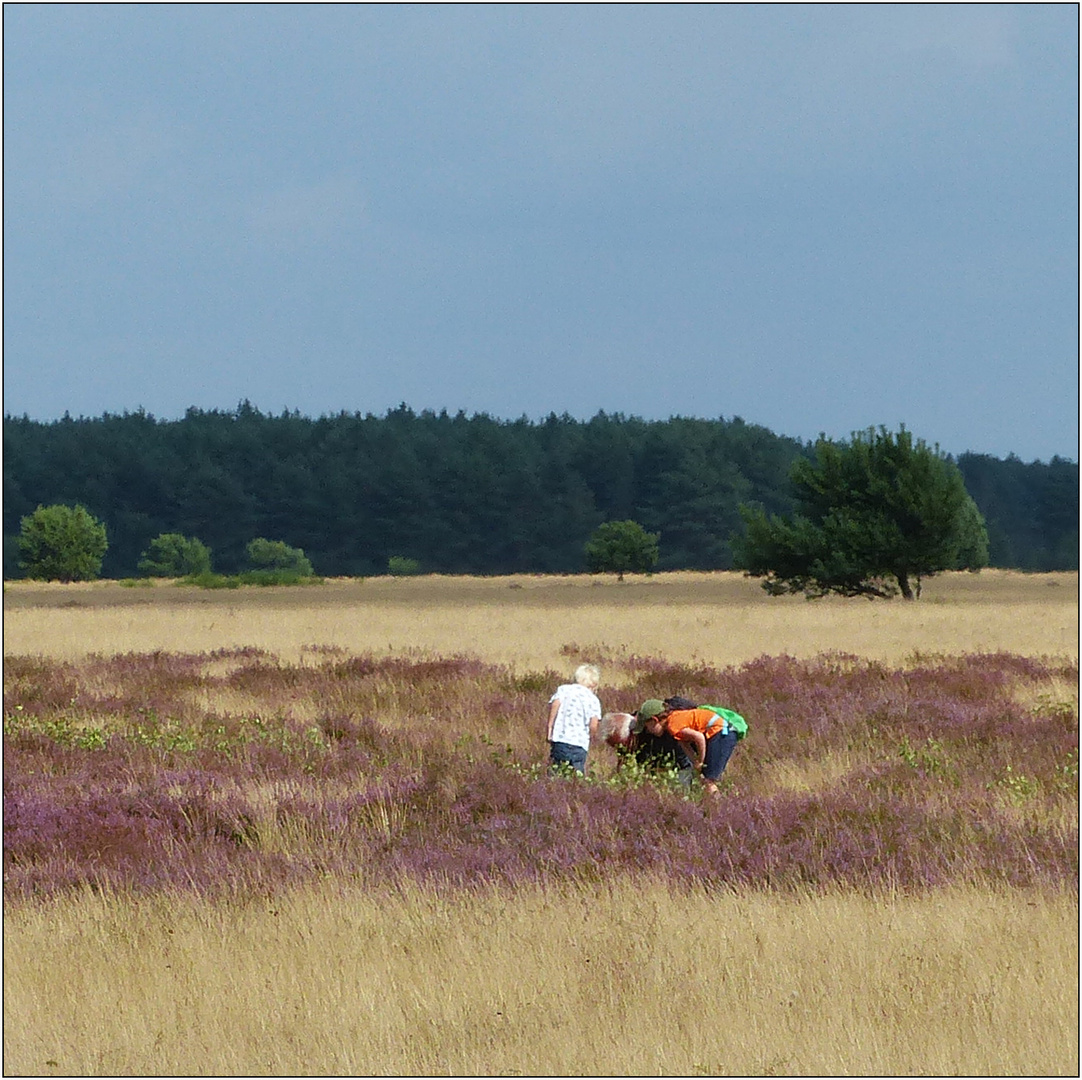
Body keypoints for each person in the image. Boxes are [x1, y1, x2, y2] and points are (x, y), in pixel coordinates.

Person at [632, 698, 740, 795]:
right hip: (720, 733)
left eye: (647, 727)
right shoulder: (674, 722)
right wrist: (695, 762)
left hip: (722, 734)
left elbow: (699, 737)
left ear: (655, 720)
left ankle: (718, 807)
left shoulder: (673, 725)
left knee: (708, 781)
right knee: (704, 778)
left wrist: (701, 762)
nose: (648, 731)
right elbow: (685, 744)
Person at [546, 663, 602, 775]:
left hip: (559, 741)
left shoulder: (563, 690)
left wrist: (550, 728)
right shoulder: (593, 699)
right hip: (579, 744)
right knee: (576, 778)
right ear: (593, 683)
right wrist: (591, 736)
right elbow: (593, 725)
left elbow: (555, 706)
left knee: (555, 774)